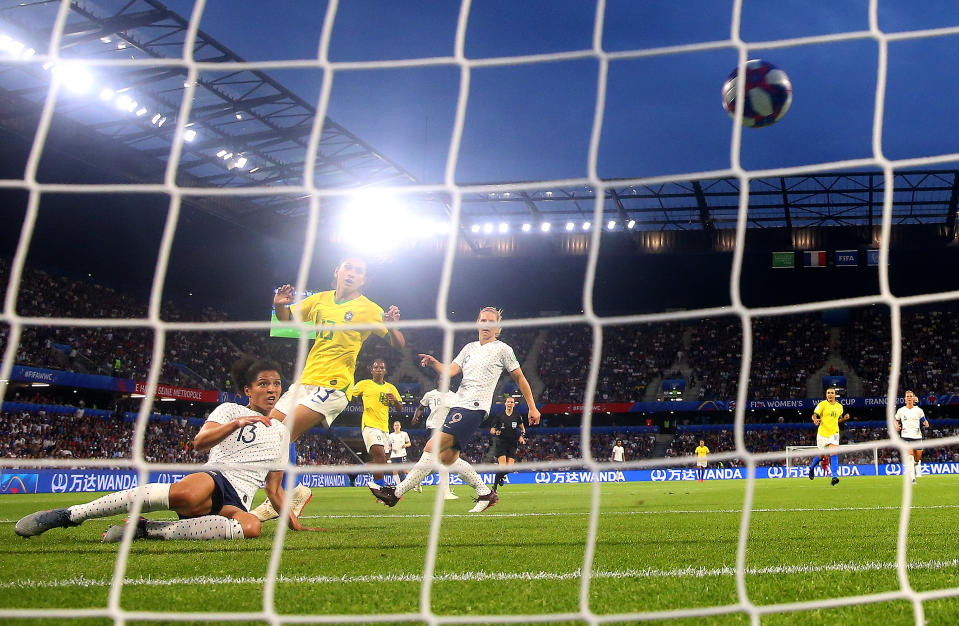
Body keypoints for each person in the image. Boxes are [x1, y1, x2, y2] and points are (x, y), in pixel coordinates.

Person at [15, 357, 321, 542]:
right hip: (216, 477)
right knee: (186, 494)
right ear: (248, 390)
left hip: (237, 499)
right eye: (263, 384)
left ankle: (148, 530)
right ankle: (70, 514)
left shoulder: (282, 433)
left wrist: (296, 524)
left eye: (277, 384)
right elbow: (200, 443)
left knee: (252, 526)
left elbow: (273, 490)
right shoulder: (229, 410)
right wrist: (237, 423)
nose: (271, 389)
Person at [373, 307, 540, 513]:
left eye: (490, 321)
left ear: (497, 327)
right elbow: (450, 370)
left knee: (432, 447)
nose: (485, 324)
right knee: (447, 458)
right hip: (459, 405)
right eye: (482, 320)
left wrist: (532, 407)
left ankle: (395, 494)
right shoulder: (469, 348)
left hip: (474, 407)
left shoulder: (502, 349)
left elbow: (520, 378)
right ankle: (485, 493)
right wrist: (434, 363)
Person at [269, 257, 405, 503]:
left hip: (334, 385)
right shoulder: (319, 300)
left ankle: (282, 496)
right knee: (266, 433)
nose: (352, 273)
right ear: (338, 271)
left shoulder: (370, 309)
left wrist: (393, 327)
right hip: (305, 381)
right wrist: (280, 305)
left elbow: (398, 344)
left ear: (364, 279)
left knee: (283, 433)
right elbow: (286, 319)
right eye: (348, 267)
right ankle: (294, 491)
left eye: (359, 271)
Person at [350, 358, 404, 494]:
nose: (379, 370)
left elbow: (400, 409)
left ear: (385, 371)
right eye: (376, 367)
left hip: (384, 428)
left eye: (381, 367)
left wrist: (395, 400)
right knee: (380, 456)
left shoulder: (391, 388)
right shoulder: (364, 384)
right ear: (371, 370)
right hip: (369, 426)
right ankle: (380, 489)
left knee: (383, 462)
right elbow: (349, 393)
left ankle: (355, 472)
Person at [412, 388, 458, 499]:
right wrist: (415, 416)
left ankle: (417, 478)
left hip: (447, 429)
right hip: (434, 428)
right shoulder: (430, 394)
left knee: (436, 461)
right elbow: (420, 407)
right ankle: (446, 492)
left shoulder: (453, 396)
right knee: (442, 460)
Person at [808, 387, 851, 486]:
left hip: (834, 433)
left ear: (835, 394)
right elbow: (814, 415)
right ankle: (811, 468)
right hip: (823, 434)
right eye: (828, 393)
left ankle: (834, 477)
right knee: (821, 455)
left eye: (832, 393)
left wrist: (844, 418)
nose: (830, 394)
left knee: (834, 453)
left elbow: (838, 421)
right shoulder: (822, 404)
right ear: (826, 395)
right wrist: (815, 419)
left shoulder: (840, 407)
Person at [490, 396, 527, 492]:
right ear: (505, 404)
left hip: (512, 444)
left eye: (512, 402)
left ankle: (501, 477)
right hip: (501, 443)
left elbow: (523, 429)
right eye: (508, 402)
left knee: (509, 469)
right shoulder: (499, 416)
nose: (510, 403)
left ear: (514, 404)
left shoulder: (517, 416)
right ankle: (494, 488)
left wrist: (521, 436)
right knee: (502, 467)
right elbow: (492, 430)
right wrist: (495, 432)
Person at [895, 390, 929, 484]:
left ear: (913, 398)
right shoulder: (901, 411)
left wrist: (926, 423)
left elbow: (923, 420)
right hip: (906, 437)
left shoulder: (919, 410)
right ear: (905, 399)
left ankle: (916, 463)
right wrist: (896, 426)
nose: (909, 398)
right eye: (908, 396)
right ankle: (913, 478)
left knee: (917, 458)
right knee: (910, 456)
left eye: (911, 396)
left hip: (917, 437)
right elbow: (896, 420)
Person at [387, 420, 412, 487]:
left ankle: (413, 483)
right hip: (394, 455)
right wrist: (390, 448)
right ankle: (399, 486)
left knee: (405, 470)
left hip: (402, 455)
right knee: (394, 471)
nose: (397, 426)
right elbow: (389, 445)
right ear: (393, 427)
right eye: (395, 425)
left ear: (400, 426)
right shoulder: (391, 435)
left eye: (398, 425)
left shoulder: (404, 434)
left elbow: (409, 443)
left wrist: (405, 445)